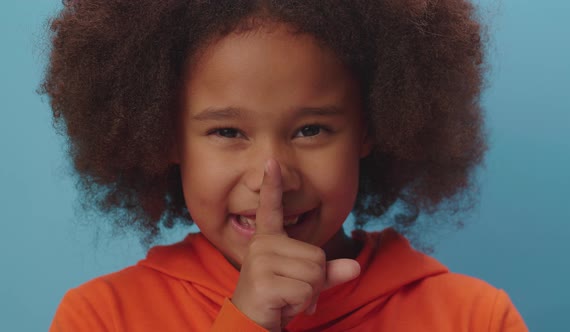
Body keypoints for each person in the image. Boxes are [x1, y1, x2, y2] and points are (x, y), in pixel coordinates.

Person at [43, 0, 527, 331]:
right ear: (165, 138)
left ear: (372, 127)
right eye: (228, 132)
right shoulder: (103, 317)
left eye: (311, 129)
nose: (270, 177)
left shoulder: (473, 318)